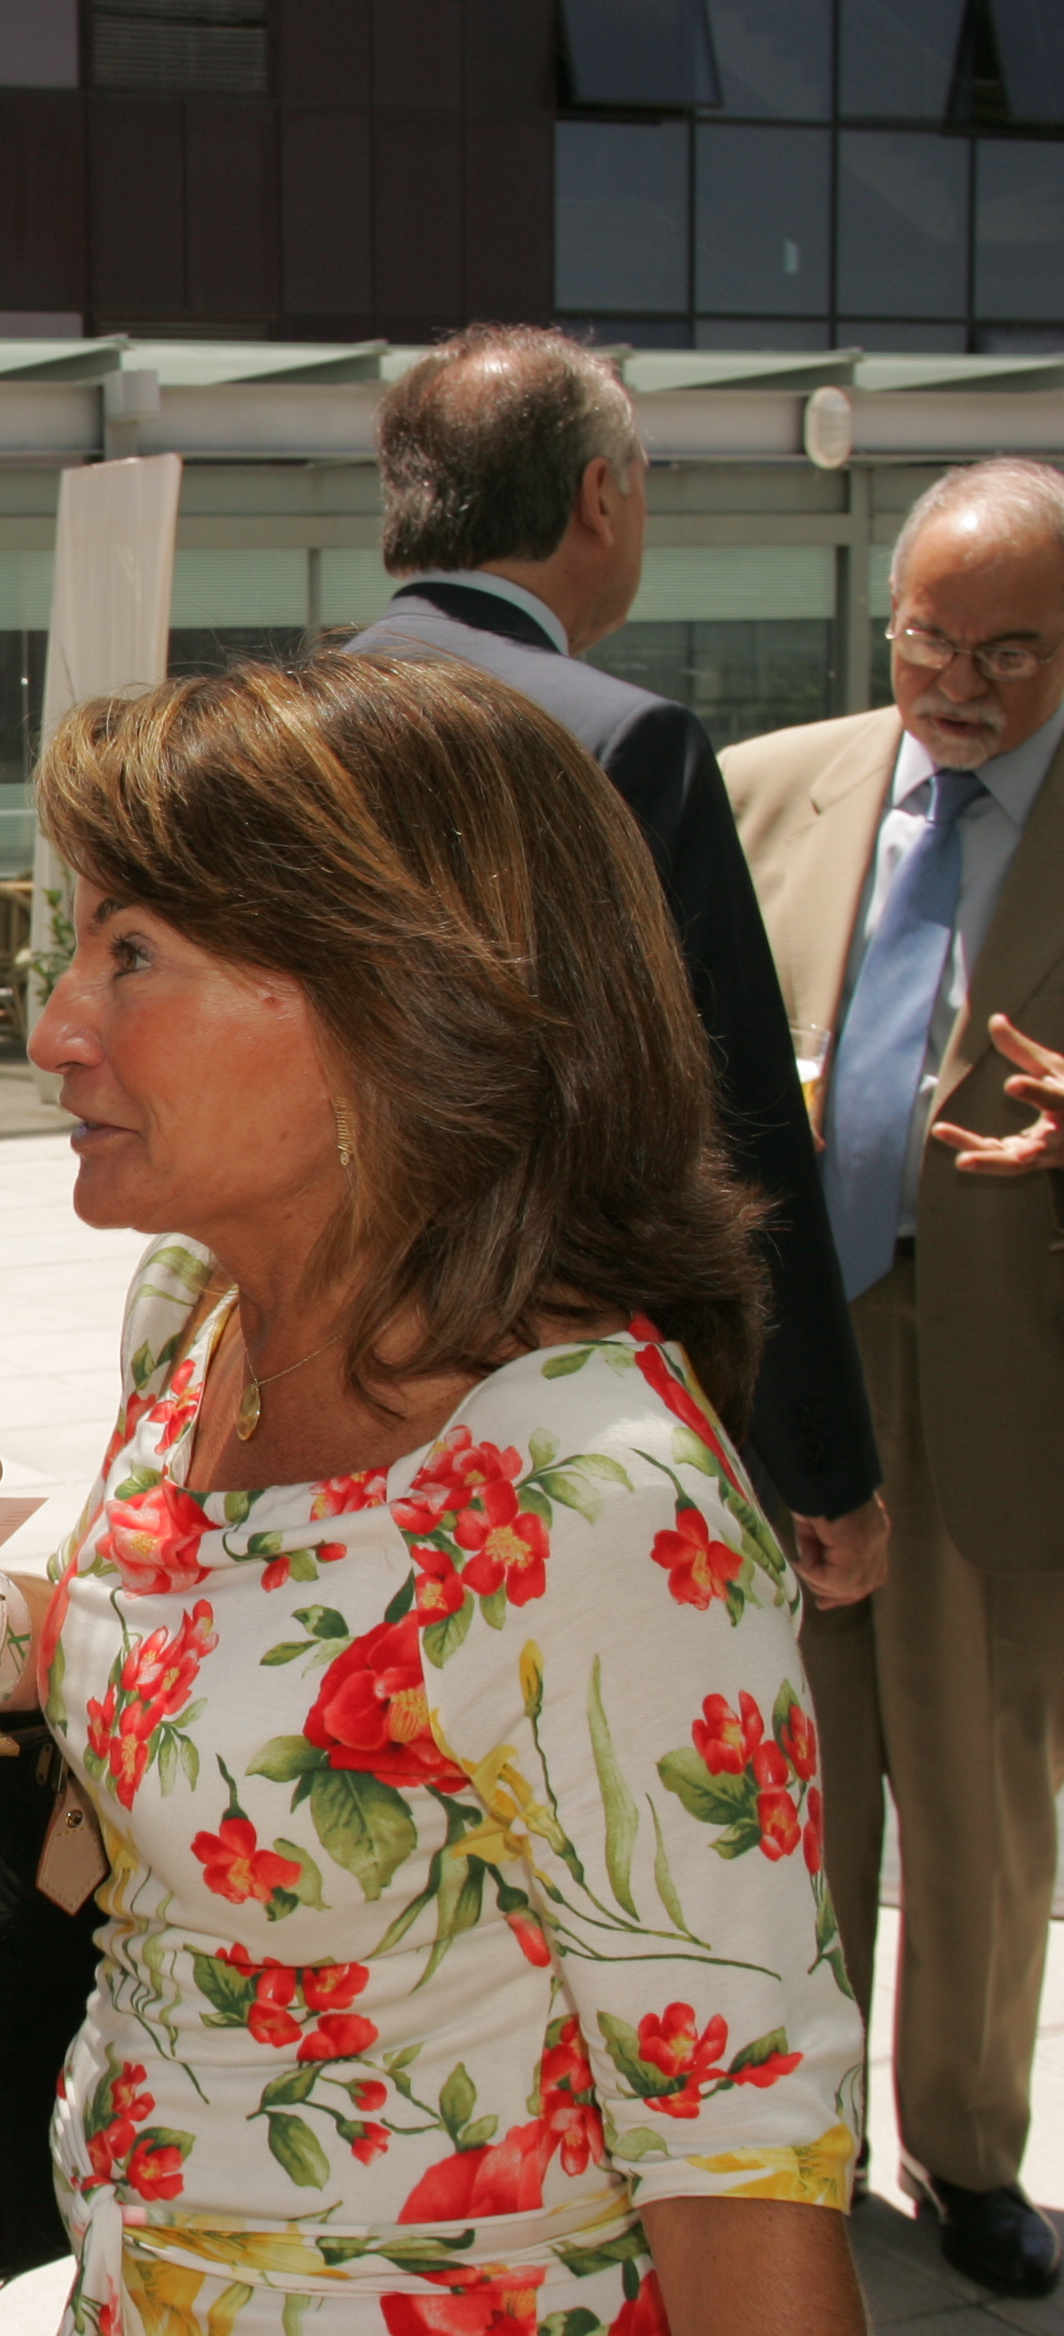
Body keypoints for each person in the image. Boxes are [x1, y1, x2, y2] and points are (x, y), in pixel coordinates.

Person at [0, 656, 867, 2335]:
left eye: (131, 954)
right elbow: (243, 1645)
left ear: (397, 999)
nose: (56, 1026)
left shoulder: (596, 1499)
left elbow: (739, 2167)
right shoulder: (197, 1318)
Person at [349, 324, 888, 1619]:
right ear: (601, 495)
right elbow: (739, 1125)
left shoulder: (278, 719)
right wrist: (823, 1462)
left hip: (313, 1361)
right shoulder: (623, 743)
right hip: (553, 1405)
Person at [721, 455, 1064, 2299]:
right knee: (795, 1776)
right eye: (929, 638)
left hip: (997, 1365)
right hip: (790, 1353)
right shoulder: (769, 788)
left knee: (979, 1788)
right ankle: (811, 2133)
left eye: (1010, 654)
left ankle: (973, 2152)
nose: (957, 684)